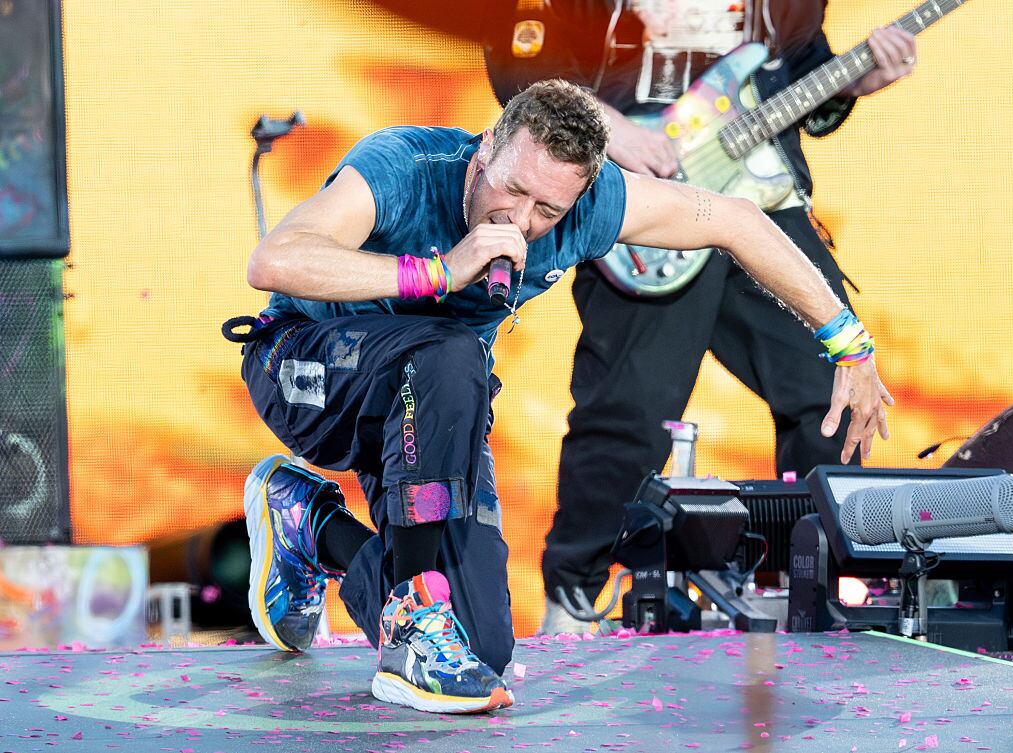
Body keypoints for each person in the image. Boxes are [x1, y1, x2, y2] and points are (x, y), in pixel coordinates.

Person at [224, 79, 891, 715]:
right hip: (305, 367)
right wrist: (438, 271)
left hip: (424, 419)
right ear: (486, 150)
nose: (522, 218)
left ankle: (311, 524)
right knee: (450, 351)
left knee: (481, 648)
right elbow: (273, 259)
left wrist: (851, 345)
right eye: (511, 190)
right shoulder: (405, 165)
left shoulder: (591, 207)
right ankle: (412, 622)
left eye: (548, 209)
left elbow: (738, 221)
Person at [483, 1, 916, 633]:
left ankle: (808, 584)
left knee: (830, 392)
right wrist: (611, 129)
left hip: (759, 200)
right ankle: (574, 597)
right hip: (644, 197)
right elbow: (522, 64)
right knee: (628, 415)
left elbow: (798, 74)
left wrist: (856, 78)